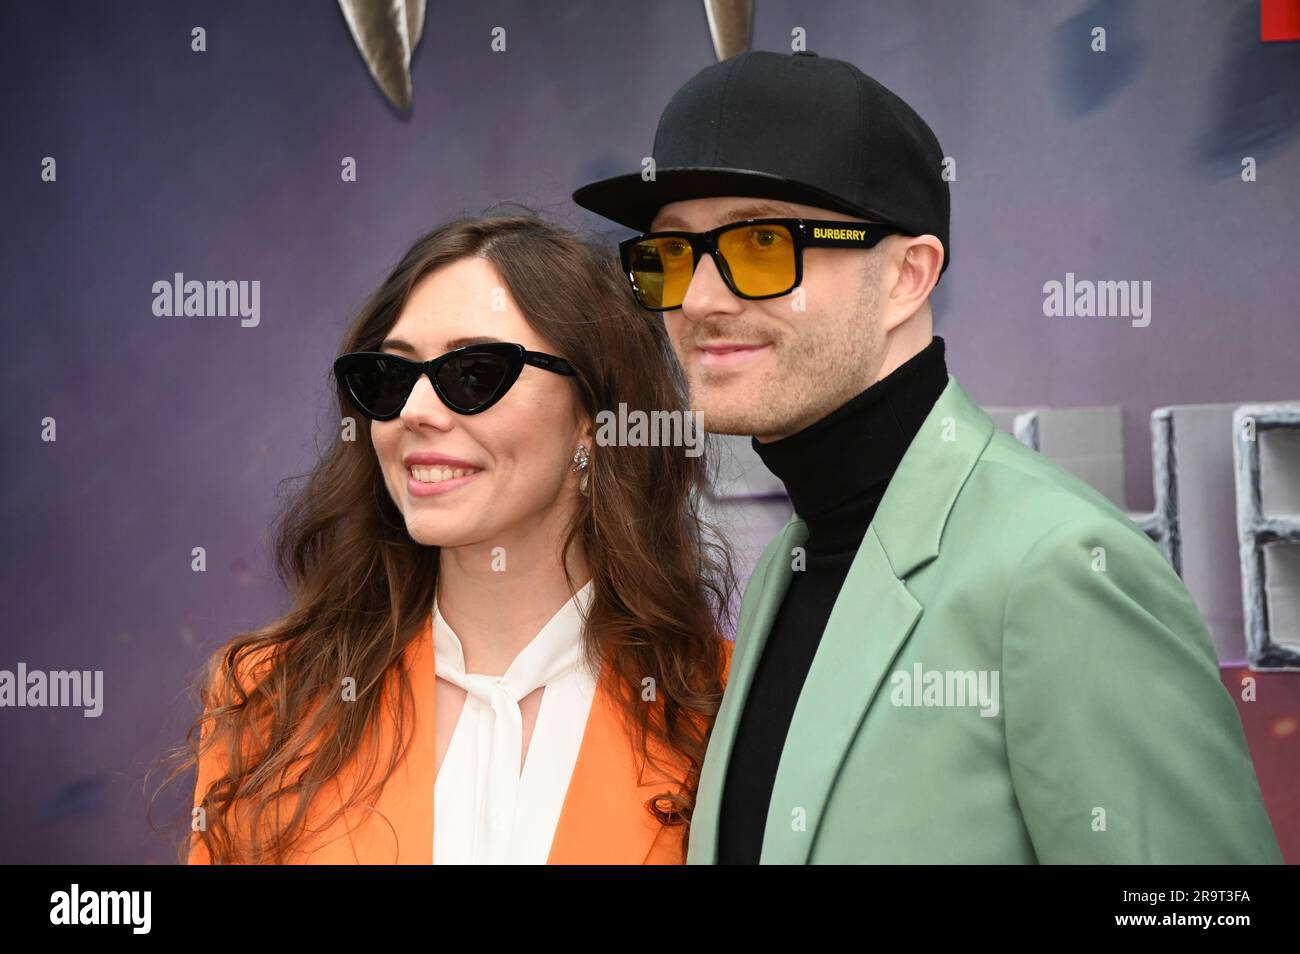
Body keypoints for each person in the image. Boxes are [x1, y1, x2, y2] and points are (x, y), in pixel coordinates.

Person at [573, 50, 1283, 864]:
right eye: (669, 255)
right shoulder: (790, 565)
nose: (697, 299)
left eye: (762, 244)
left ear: (909, 276)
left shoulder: (1057, 569)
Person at [181, 214, 734, 864]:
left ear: (592, 418)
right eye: (390, 378)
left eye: (474, 374)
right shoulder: (270, 696)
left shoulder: (722, 706)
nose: (414, 411)